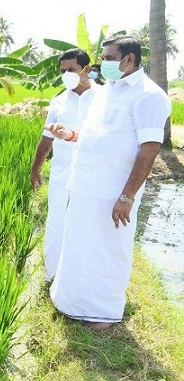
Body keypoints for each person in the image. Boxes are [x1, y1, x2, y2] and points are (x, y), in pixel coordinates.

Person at [45, 36, 171, 330]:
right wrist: (69, 135)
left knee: (108, 250)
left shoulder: (148, 95)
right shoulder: (104, 92)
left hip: (112, 193)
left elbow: (149, 149)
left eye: (110, 58)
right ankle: (71, 303)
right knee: (78, 245)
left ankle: (103, 313)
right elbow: (93, 134)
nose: (103, 65)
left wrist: (126, 197)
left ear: (129, 60)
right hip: (84, 187)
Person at [30, 48, 96, 282]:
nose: (66, 74)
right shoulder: (58, 101)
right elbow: (46, 139)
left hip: (93, 173)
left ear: (86, 69)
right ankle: (53, 275)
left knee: (87, 224)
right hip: (62, 172)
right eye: (63, 71)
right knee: (57, 220)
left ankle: (82, 278)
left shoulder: (103, 98)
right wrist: (35, 168)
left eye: (72, 70)